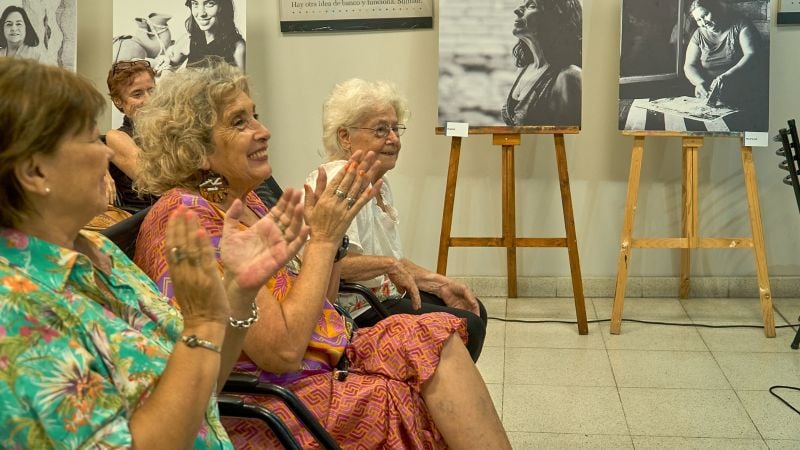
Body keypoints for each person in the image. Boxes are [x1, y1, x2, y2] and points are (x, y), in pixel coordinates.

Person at [132, 62, 511, 450]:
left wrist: (329, 245)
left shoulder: (245, 204)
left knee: (434, 336)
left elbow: (321, 306)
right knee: (421, 388)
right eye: (240, 122)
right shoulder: (193, 223)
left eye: (256, 116)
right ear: (198, 150)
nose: (264, 131)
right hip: (277, 399)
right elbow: (282, 352)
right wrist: (324, 241)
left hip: (325, 357)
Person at [0, 57, 308, 448]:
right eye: (88, 139)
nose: (106, 153)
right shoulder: (16, 312)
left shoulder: (95, 249)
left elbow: (202, 384)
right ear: (35, 172)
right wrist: (203, 323)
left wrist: (238, 292)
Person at [308, 78, 489, 362]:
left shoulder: (379, 182)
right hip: (354, 310)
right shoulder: (339, 181)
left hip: (380, 297)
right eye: (381, 130)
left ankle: (430, 396)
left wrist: (439, 283)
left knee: (472, 307)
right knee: (469, 325)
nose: (394, 139)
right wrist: (388, 265)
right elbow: (331, 263)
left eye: (395, 128)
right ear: (345, 136)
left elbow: (392, 260)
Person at [501, 0, 582, 126]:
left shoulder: (569, 77)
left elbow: (571, 138)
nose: (517, 10)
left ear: (554, 18)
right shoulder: (525, 69)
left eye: (532, 5)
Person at [683, 0, 766, 122]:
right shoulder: (699, 34)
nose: (704, 22)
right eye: (698, 20)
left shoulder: (740, 25)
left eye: (705, 15)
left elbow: (751, 55)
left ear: (716, 9)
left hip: (743, 94)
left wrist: (727, 76)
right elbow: (689, 65)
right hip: (713, 98)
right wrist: (699, 83)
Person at [105, 59, 159, 213]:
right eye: (137, 94)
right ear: (118, 101)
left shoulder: (170, 129)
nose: (148, 100)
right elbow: (156, 183)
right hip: (144, 224)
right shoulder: (116, 137)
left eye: (152, 91)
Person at [159, 0, 245, 71]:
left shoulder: (238, 48)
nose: (201, 13)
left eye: (210, 4)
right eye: (195, 4)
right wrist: (166, 63)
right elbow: (169, 60)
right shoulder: (189, 40)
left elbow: (242, 87)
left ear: (222, 6)